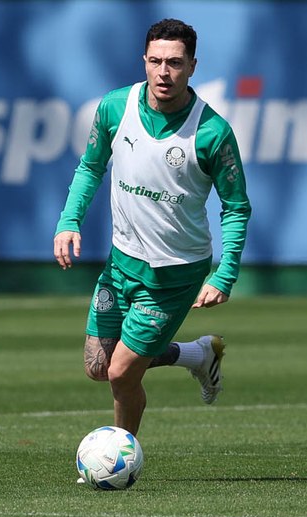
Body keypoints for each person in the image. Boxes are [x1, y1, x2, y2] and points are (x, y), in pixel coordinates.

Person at [53, 18, 250, 436]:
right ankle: (197, 356)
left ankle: (121, 457)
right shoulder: (114, 107)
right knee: (98, 366)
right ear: (143, 60)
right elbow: (90, 166)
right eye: (156, 61)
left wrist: (226, 274)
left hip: (174, 273)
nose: (164, 72)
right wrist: (69, 221)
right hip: (121, 263)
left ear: (193, 66)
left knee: (122, 373)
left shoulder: (212, 132)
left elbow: (235, 207)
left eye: (175, 63)